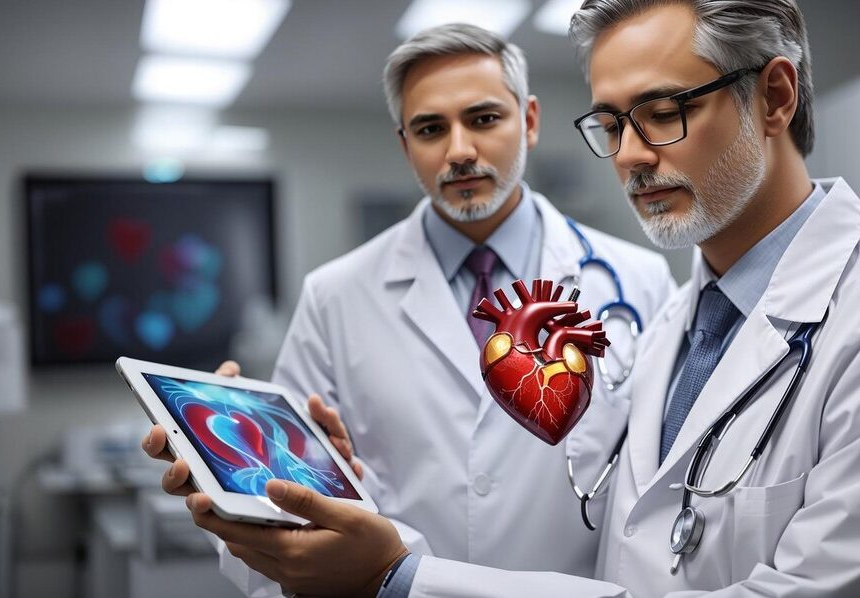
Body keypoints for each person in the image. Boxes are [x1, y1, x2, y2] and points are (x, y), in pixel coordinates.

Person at [174, 1, 860, 596]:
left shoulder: (641, 282)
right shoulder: (691, 311)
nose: (628, 155)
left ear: (774, 97)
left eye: (662, 112)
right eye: (613, 125)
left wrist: (400, 578)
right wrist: (280, 483)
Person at [144, 22, 675, 597]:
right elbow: (283, 506)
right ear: (404, 145)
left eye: (484, 118)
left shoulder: (639, 281)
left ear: (529, 121)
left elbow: (663, 496)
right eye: (430, 129)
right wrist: (229, 466)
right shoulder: (335, 296)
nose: (460, 150)